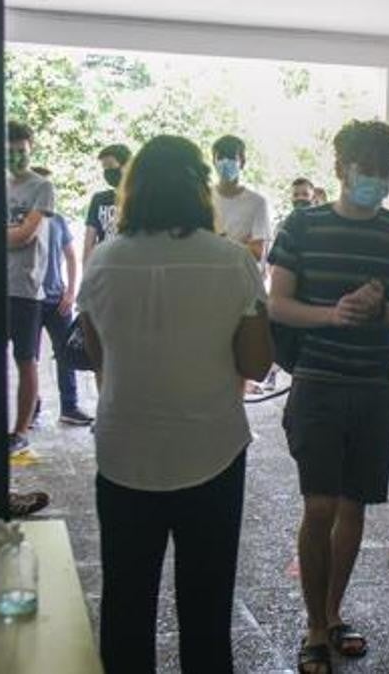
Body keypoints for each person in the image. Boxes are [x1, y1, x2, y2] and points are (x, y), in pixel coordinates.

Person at [79, 135, 272, 674]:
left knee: (125, 604)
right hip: (210, 451)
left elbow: (100, 357)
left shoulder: (103, 263)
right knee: (206, 610)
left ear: (132, 191)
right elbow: (257, 364)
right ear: (199, 189)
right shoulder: (232, 262)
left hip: (123, 453)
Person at [268, 119, 389, 674]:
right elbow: (278, 304)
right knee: (319, 506)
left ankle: (335, 613)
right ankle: (314, 623)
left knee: (354, 507)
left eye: (383, 174)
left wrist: (383, 308)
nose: (375, 183)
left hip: (376, 387)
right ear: (341, 169)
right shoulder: (303, 225)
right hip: (317, 382)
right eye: (366, 172)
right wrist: (332, 314)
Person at [5, 121, 53, 455]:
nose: (16, 157)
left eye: (22, 151)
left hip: (25, 287)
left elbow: (26, 234)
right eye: (10, 152)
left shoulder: (42, 187)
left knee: (26, 359)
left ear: (31, 149)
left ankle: (20, 429)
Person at [39, 209, 93, 426]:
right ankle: (32, 405)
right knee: (27, 357)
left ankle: (69, 406)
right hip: (28, 299)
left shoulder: (57, 219)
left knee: (66, 352)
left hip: (56, 298)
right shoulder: (15, 217)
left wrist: (70, 292)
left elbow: (71, 255)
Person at [211, 135, 271, 265]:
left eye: (231, 157)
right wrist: (241, 244)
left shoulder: (257, 203)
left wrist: (218, 241)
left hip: (242, 279)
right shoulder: (203, 198)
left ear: (242, 162)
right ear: (213, 162)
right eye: (220, 158)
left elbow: (257, 253)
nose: (225, 162)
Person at [83, 143, 132, 267]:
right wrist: (86, 272)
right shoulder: (99, 199)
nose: (108, 172)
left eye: (110, 166)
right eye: (105, 168)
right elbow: (89, 241)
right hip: (104, 267)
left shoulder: (142, 199)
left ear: (127, 166)